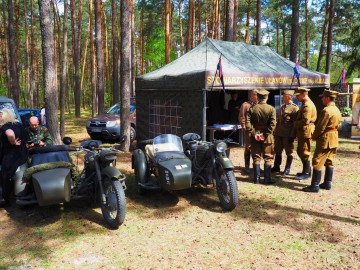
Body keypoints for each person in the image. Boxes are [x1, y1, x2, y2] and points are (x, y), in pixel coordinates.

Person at [303, 89, 342, 192]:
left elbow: (320, 127)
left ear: (328, 98)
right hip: (334, 137)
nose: (321, 99)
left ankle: (315, 186)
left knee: (317, 161)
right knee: (329, 160)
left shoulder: (326, 110)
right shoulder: (336, 109)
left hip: (325, 138)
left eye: (323, 97)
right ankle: (327, 183)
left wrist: (314, 137)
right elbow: (339, 124)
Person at [245, 89, 276, 184]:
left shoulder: (252, 108)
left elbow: (247, 122)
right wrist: (266, 133)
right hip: (267, 137)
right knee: (268, 157)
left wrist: (253, 132)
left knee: (256, 157)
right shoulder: (271, 109)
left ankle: (256, 179)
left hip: (256, 135)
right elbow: (273, 124)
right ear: (267, 97)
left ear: (258, 97)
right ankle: (267, 179)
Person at [0, 109, 29, 206]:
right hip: (22, 155)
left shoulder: (6, 126)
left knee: (6, 176)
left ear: (4, 116)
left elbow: (10, 133)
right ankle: (20, 196)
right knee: (20, 176)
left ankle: (5, 198)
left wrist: (13, 142)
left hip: (10, 157)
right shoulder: (18, 125)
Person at [272, 90, 299, 175]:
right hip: (279, 133)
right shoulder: (282, 106)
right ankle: (276, 166)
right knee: (278, 150)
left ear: (289, 97)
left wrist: (292, 135)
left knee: (289, 151)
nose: (282, 97)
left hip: (287, 134)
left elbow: (295, 123)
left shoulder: (295, 108)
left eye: (284, 96)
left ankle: (287, 168)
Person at [293, 87, 317, 180]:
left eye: (298, 96)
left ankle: (306, 173)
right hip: (303, 131)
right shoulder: (305, 104)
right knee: (300, 151)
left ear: (304, 94)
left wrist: (295, 123)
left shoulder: (307, 105)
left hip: (306, 131)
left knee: (304, 151)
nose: (297, 97)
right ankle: (305, 171)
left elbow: (305, 120)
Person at [238, 89, 258, 174]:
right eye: (256, 95)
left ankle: (256, 166)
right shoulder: (245, 105)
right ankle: (247, 166)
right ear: (251, 95)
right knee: (248, 147)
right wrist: (244, 127)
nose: (257, 96)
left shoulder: (258, 105)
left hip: (257, 130)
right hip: (248, 130)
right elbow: (241, 117)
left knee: (257, 147)